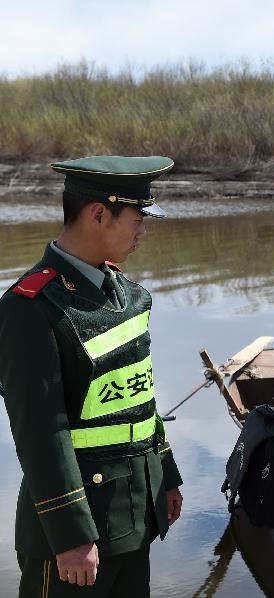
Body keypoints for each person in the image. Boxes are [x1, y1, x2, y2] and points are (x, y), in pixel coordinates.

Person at [0, 156, 184, 597]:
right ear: (98, 213)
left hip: (134, 517)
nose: (143, 233)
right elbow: (41, 433)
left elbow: (140, 395)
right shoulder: (30, 308)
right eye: (137, 220)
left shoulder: (129, 295)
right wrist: (71, 537)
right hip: (75, 540)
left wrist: (168, 474)